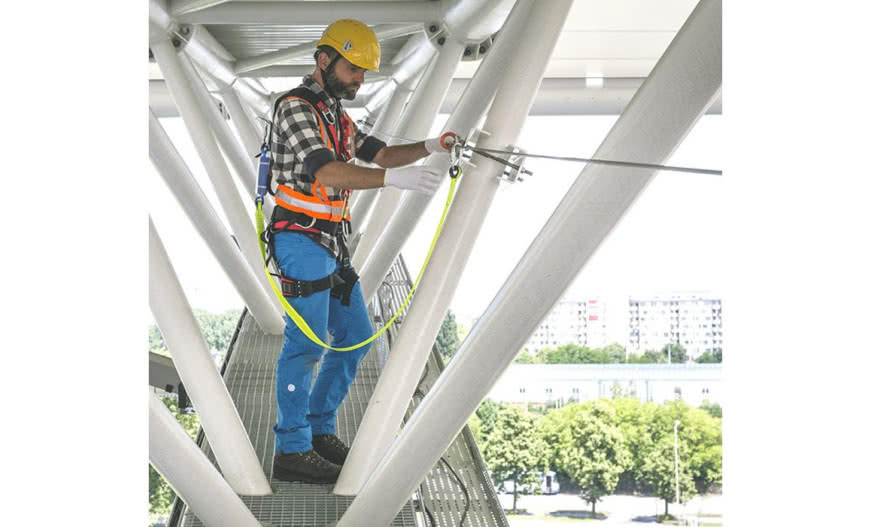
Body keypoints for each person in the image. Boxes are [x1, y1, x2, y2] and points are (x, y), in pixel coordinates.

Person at [267, 19, 452, 484]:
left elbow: (382, 155)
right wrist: (393, 182)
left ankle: (318, 430)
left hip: (331, 243)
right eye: (355, 70)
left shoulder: (335, 115)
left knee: (354, 337)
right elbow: (327, 173)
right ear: (325, 60)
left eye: (365, 73)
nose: (360, 80)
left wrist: (430, 146)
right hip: (299, 238)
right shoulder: (294, 108)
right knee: (307, 341)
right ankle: (292, 448)